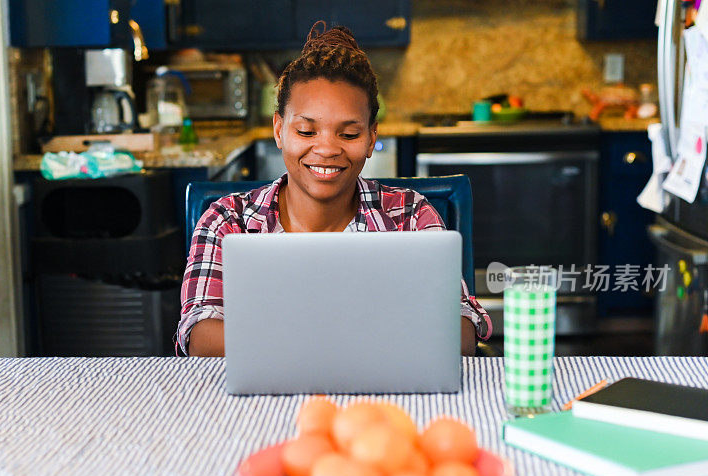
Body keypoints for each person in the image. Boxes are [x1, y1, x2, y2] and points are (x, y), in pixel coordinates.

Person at [176, 22, 492, 357]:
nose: (326, 149)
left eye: (349, 134)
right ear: (280, 130)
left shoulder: (410, 215)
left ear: (371, 138)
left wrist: (298, 345)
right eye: (306, 131)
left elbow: (458, 333)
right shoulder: (227, 220)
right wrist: (348, 344)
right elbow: (202, 336)